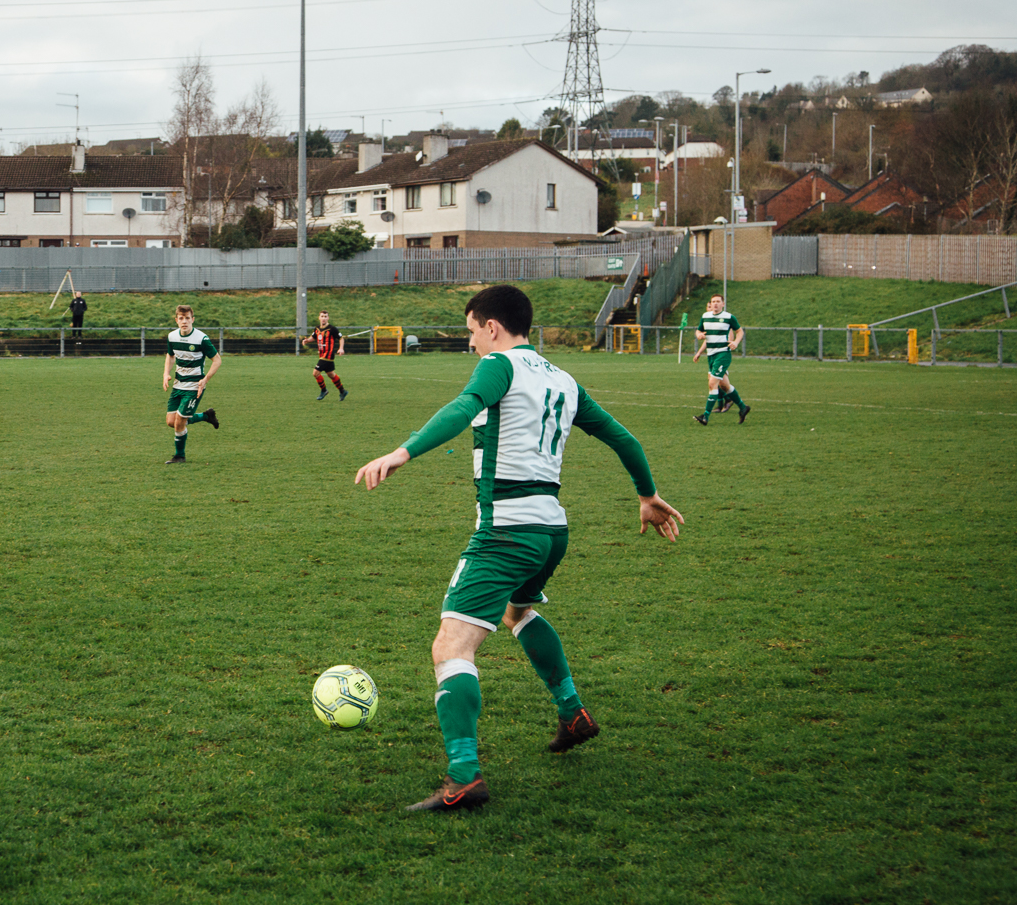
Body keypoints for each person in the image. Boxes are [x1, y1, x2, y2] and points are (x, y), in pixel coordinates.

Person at [354, 285, 683, 813]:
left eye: (470, 333)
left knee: (450, 648)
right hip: (551, 531)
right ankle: (572, 712)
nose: (471, 345)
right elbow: (625, 438)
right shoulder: (564, 378)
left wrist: (402, 452)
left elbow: (464, 408)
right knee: (518, 612)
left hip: (505, 531)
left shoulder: (500, 365)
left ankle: (463, 778)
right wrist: (646, 494)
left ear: (491, 327)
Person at [162, 304, 220, 464]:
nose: (184, 321)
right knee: (171, 422)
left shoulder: (201, 339)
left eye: (187, 318)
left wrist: (205, 379)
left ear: (192, 319)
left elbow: (217, 360)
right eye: (181, 318)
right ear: (176, 320)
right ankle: (206, 416)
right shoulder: (172, 337)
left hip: (195, 386)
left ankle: (179, 456)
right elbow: (170, 355)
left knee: (180, 420)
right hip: (178, 385)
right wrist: (166, 373)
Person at [693, 293, 750, 424]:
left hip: (723, 354)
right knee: (724, 385)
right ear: (711, 304)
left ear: (723, 304)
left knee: (712, 383)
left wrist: (736, 342)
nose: (715, 304)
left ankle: (705, 416)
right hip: (711, 355)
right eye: (713, 301)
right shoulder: (705, 316)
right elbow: (698, 330)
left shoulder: (729, 317)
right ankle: (743, 407)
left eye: (718, 301)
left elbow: (740, 331)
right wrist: (699, 335)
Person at [303, 309, 347, 401]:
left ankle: (324, 390)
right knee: (331, 374)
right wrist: (307, 340)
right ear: (319, 318)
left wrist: (341, 348)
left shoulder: (332, 329)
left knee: (315, 373)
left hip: (328, 355)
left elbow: (341, 338)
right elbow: (313, 337)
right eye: (322, 316)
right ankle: (342, 391)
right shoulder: (317, 328)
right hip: (322, 354)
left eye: (325, 316)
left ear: (328, 318)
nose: (323, 318)